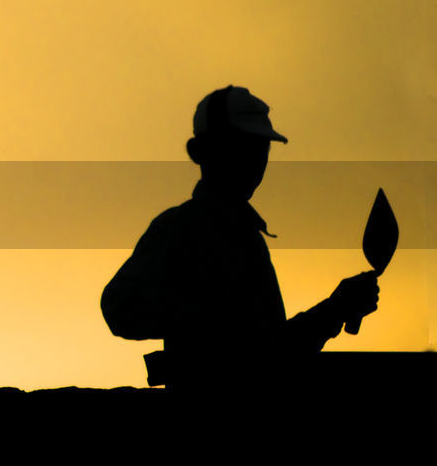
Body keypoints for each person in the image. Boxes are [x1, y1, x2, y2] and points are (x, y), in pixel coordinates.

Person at [100, 85, 379, 389]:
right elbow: (118, 307)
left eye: (260, 148)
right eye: (238, 147)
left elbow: (270, 353)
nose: (252, 160)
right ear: (200, 153)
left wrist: (336, 309)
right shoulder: (180, 228)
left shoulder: (246, 236)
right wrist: (205, 320)